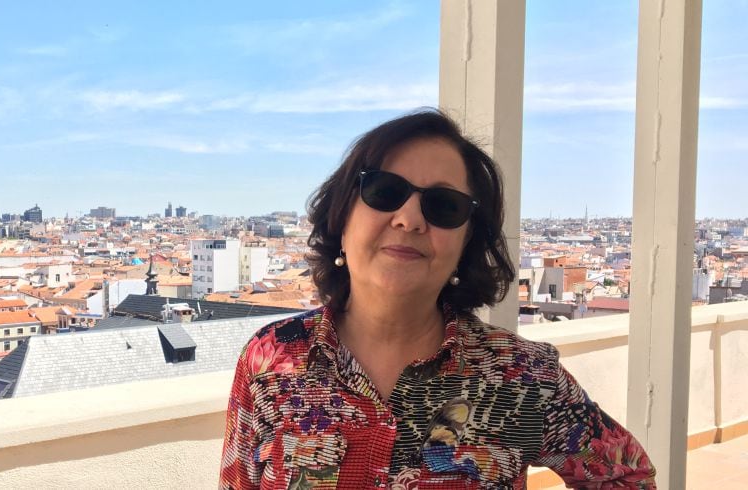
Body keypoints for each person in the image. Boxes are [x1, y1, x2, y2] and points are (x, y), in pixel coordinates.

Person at [219, 110, 655, 489]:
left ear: (467, 241)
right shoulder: (271, 360)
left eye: (444, 206)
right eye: (384, 192)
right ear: (342, 215)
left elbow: (626, 475)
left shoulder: (520, 377)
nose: (409, 219)